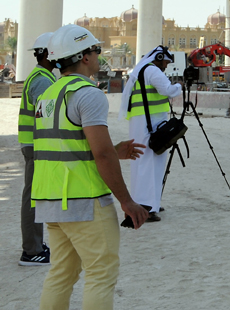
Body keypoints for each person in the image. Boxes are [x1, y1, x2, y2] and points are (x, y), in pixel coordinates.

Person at [33, 24, 147, 310]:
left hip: (51, 198)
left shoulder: (49, 94)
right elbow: (101, 155)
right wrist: (127, 201)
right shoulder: (88, 93)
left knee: (62, 273)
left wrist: (113, 151)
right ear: (84, 56)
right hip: (84, 201)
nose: (98, 56)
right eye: (96, 51)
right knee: (100, 273)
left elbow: (66, 145)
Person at [119, 45, 182, 221]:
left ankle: (151, 203)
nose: (166, 67)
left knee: (148, 163)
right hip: (149, 123)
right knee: (147, 164)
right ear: (159, 57)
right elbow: (167, 90)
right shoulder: (152, 70)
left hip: (144, 122)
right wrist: (179, 85)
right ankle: (145, 209)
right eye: (166, 63)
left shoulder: (143, 70)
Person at [18, 32, 56, 266]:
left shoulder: (41, 76)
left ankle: (35, 245)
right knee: (33, 198)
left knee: (34, 196)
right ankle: (31, 251)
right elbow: (49, 117)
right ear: (49, 53)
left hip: (34, 145)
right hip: (37, 146)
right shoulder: (42, 80)